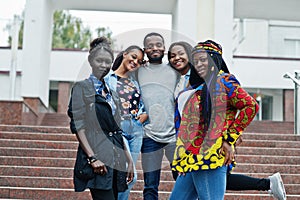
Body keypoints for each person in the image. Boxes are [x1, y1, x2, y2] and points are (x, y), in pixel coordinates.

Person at [168, 40, 286, 200]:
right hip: (190, 156)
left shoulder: (223, 81)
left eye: (204, 59)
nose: (199, 64)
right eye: (196, 61)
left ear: (214, 60)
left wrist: (230, 137)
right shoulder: (194, 87)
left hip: (209, 154)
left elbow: (250, 106)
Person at [67, 37, 134, 200]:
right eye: (99, 61)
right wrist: (92, 157)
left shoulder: (112, 92)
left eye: (107, 62)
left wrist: (129, 159)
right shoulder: (81, 88)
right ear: (90, 60)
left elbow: (117, 128)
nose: (104, 65)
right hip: (98, 155)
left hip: (116, 157)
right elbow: (78, 126)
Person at [137, 32, 180, 200]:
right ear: (145, 49)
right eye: (150, 45)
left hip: (174, 136)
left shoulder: (175, 70)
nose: (154, 48)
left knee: (183, 178)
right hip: (149, 135)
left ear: (164, 48)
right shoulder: (137, 71)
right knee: (150, 186)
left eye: (158, 45)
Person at [104, 45, 148, 200]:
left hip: (136, 130)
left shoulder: (135, 82)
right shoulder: (108, 79)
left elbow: (145, 101)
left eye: (139, 61)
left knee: (125, 176)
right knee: (131, 176)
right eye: (133, 57)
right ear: (124, 54)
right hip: (119, 128)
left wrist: (145, 114)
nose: (135, 62)